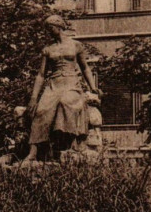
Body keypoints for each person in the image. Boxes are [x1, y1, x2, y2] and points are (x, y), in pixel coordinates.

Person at [26, 15, 100, 161]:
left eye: (50, 28)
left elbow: (85, 68)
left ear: (59, 27)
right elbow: (41, 75)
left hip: (72, 83)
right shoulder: (48, 49)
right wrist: (34, 98)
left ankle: (70, 145)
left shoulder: (76, 45)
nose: (48, 32)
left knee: (66, 103)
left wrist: (93, 87)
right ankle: (33, 152)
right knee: (41, 111)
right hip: (54, 84)